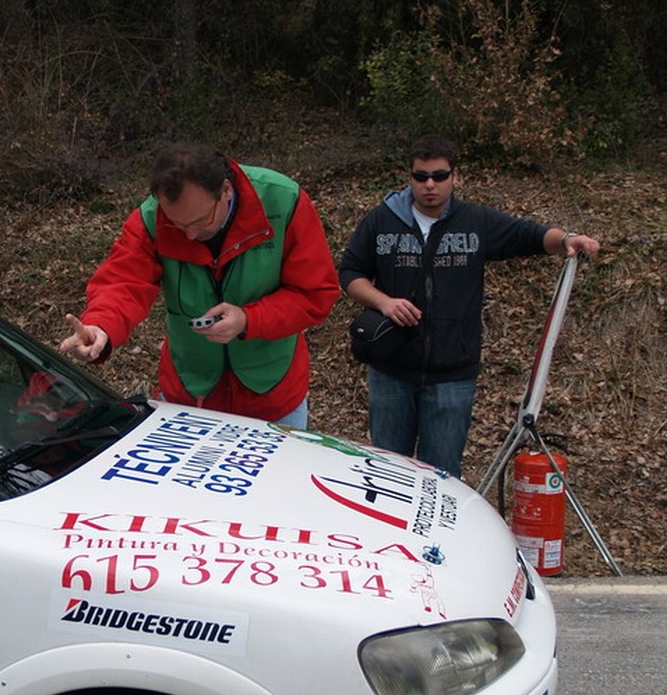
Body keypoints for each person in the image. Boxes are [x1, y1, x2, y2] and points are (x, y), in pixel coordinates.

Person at [339, 134, 600, 476]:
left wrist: (568, 239)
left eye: (439, 176)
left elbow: (530, 236)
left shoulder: (475, 222)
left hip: (452, 376)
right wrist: (383, 302)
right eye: (421, 176)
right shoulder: (381, 221)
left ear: (455, 177)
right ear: (409, 177)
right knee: (389, 473)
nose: (430, 184)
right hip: (391, 372)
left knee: (442, 475)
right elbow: (350, 272)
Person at [60, 144, 340, 426]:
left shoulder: (283, 201)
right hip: (189, 395)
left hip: (273, 396)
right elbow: (122, 281)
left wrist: (249, 319)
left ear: (226, 190)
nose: (191, 235)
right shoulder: (152, 217)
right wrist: (101, 326)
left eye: (201, 221)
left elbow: (314, 293)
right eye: (178, 225)